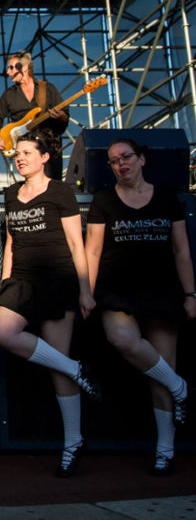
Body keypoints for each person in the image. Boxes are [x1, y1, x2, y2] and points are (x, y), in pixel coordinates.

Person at [0, 130, 100, 477]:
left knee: (57, 367)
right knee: (3, 332)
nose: (20, 158)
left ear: (44, 157)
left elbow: (76, 243)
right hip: (21, 281)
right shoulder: (11, 194)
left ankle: (72, 442)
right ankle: (75, 369)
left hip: (56, 279)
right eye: (17, 154)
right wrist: (6, 280)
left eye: (26, 152)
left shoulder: (60, 191)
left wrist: (84, 290)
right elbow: (10, 242)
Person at [85, 137, 193, 476]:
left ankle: (165, 450)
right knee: (123, 340)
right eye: (114, 161)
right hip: (118, 293)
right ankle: (181, 388)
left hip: (162, 292)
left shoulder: (166, 199)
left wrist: (191, 295)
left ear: (142, 159)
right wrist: (86, 292)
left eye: (127, 157)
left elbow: (181, 252)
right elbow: (92, 252)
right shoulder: (103, 200)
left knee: (159, 372)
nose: (121, 164)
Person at [0, 51, 69, 179]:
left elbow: (65, 116)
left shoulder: (47, 88)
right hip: (24, 149)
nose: (8, 72)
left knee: (52, 186)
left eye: (11, 67)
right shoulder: (9, 94)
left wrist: (60, 116)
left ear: (24, 68)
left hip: (48, 147)